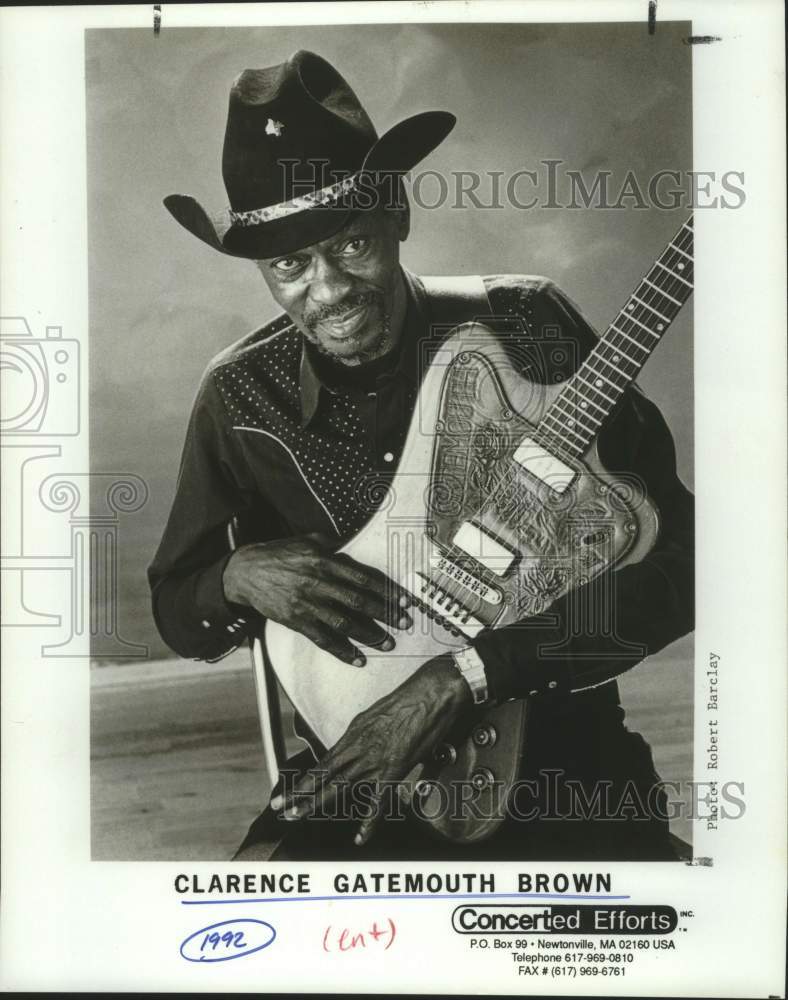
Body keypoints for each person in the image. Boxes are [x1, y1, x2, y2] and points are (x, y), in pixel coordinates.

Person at [149, 50, 694, 862]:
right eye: (289, 266)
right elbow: (175, 605)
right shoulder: (238, 396)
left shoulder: (526, 324)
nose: (327, 289)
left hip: (567, 766)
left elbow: (690, 566)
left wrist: (477, 672)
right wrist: (233, 577)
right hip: (360, 771)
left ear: (397, 213)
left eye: (351, 246)